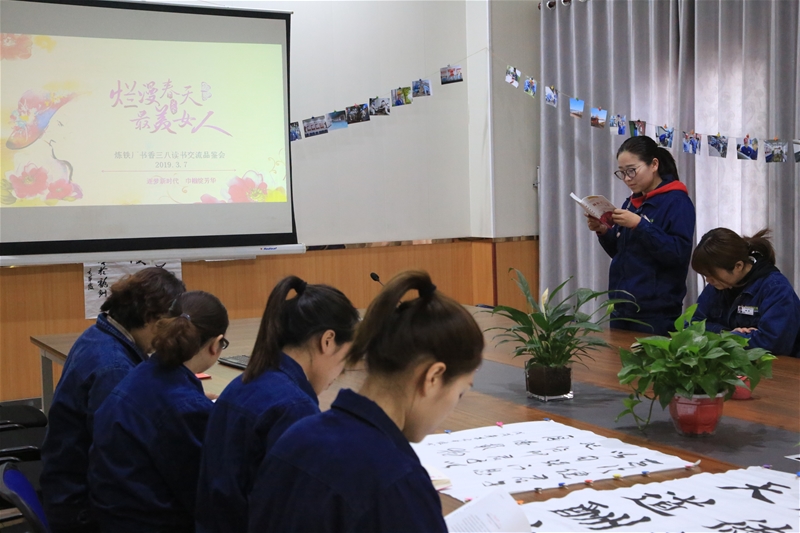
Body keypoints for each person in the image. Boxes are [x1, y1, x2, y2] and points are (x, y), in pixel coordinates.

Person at [247, 271, 484, 533]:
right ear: (433, 377)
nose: (453, 406)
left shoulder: (296, 436)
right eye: (460, 392)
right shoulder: (396, 482)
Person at [195, 276, 359, 533]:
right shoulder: (293, 407)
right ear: (327, 341)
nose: (340, 372)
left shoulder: (245, 382)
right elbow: (300, 515)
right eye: (345, 358)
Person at [40, 267, 185, 533]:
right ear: (151, 318)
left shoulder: (98, 334)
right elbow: (120, 459)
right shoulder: (114, 368)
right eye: (169, 324)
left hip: (66, 486)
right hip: (81, 509)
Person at [88, 291, 229, 533]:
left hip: (113, 517)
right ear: (215, 345)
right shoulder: (185, 409)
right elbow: (205, 495)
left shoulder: (139, 372)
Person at [587, 135, 695, 335]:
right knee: (618, 364)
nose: (627, 179)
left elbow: (677, 254)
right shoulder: (631, 202)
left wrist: (639, 225)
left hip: (655, 312)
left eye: (631, 171)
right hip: (621, 306)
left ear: (654, 164)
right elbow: (622, 252)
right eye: (622, 173)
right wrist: (603, 231)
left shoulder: (677, 202)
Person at [691, 228, 800, 357]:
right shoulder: (718, 285)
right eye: (705, 275)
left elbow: (773, 343)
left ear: (738, 266)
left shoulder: (775, 288)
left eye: (712, 275)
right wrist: (725, 333)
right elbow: (692, 325)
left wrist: (731, 338)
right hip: (733, 363)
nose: (709, 280)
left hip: (778, 367)